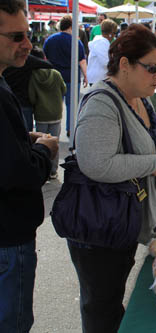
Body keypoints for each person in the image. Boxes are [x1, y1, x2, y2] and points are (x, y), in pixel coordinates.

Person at [67, 23, 156, 333]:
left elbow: (148, 137)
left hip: (122, 220)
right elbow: (95, 164)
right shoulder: (102, 102)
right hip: (98, 226)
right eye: (152, 68)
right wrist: (151, 163)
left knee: (111, 298)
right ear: (125, 64)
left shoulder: (140, 96)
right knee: (102, 305)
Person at [0, 1, 59, 332]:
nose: (27, 44)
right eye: (17, 36)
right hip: (8, 237)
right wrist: (42, 150)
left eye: (28, 34)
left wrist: (23, 138)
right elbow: (16, 173)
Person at [43, 15, 88, 137]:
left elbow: (45, 57)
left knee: (54, 104)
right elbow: (82, 61)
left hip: (54, 77)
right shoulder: (75, 41)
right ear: (70, 26)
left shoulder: (50, 40)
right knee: (72, 105)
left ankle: (51, 129)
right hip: (71, 77)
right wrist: (86, 75)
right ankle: (70, 128)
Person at [28, 47, 66, 179]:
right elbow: (64, 89)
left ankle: (44, 170)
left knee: (42, 142)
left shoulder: (33, 76)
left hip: (41, 115)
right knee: (54, 142)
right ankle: (53, 171)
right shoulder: (55, 73)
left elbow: (32, 97)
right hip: (56, 113)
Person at [4, 48, 53, 131]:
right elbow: (48, 65)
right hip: (23, 102)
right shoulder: (27, 60)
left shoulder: (4, 60)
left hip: (6, 100)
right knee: (26, 134)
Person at [87, 19, 117, 85]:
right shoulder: (102, 43)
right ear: (111, 33)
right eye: (115, 33)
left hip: (97, 78)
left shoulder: (100, 41)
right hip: (99, 79)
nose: (114, 36)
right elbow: (106, 62)